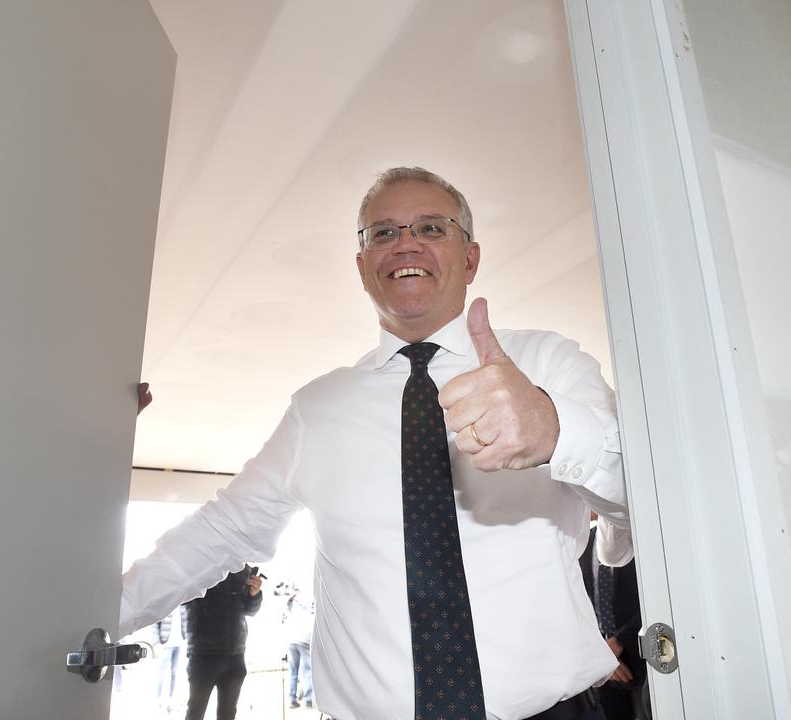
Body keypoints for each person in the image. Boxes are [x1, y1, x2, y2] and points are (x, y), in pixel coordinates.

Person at [121, 166, 631, 720]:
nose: (405, 242)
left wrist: (556, 431)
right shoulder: (318, 409)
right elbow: (217, 533)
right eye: (383, 233)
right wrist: (81, 622)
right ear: (362, 267)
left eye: (432, 228)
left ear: (470, 258)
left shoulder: (549, 363)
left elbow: (643, 504)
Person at [580, 516, 649, 720]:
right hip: (605, 667)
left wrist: (619, 642)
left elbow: (657, 597)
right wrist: (602, 649)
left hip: (642, 653)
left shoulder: (642, 536)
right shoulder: (582, 542)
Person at [178, 566, 263, 720]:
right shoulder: (197, 565)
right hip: (203, 653)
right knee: (195, 712)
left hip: (235, 654)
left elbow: (250, 610)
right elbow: (182, 599)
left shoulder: (243, 569)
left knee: (228, 713)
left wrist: (255, 594)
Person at [283, 591, 315, 709]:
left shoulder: (293, 609)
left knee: (293, 671)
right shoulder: (310, 609)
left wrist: (292, 598)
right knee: (306, 671)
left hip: (292, 642)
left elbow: (288, 606)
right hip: (305, 642)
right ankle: (308, 700)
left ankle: (292, 700)